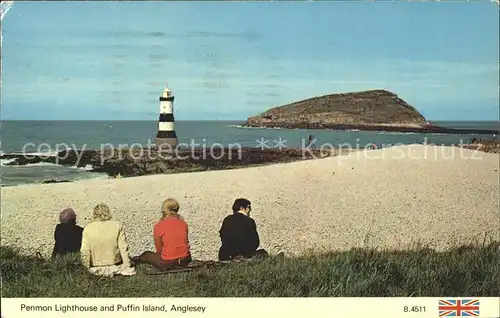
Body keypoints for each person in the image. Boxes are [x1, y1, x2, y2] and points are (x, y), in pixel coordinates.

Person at [132, 198, 192, 271]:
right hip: (185, 259)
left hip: (168, 262)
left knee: (146, 255)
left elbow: (159, 249)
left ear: (164, 211)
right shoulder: (183, 223)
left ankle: (134, 261)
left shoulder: (159, 226)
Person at [80, 203, 136, 277]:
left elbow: (85, 251)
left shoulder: (88, 228)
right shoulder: (117, 225)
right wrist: (127, 265)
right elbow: (123, 248)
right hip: (115, 264)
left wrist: (85, 268)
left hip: (95, 266)